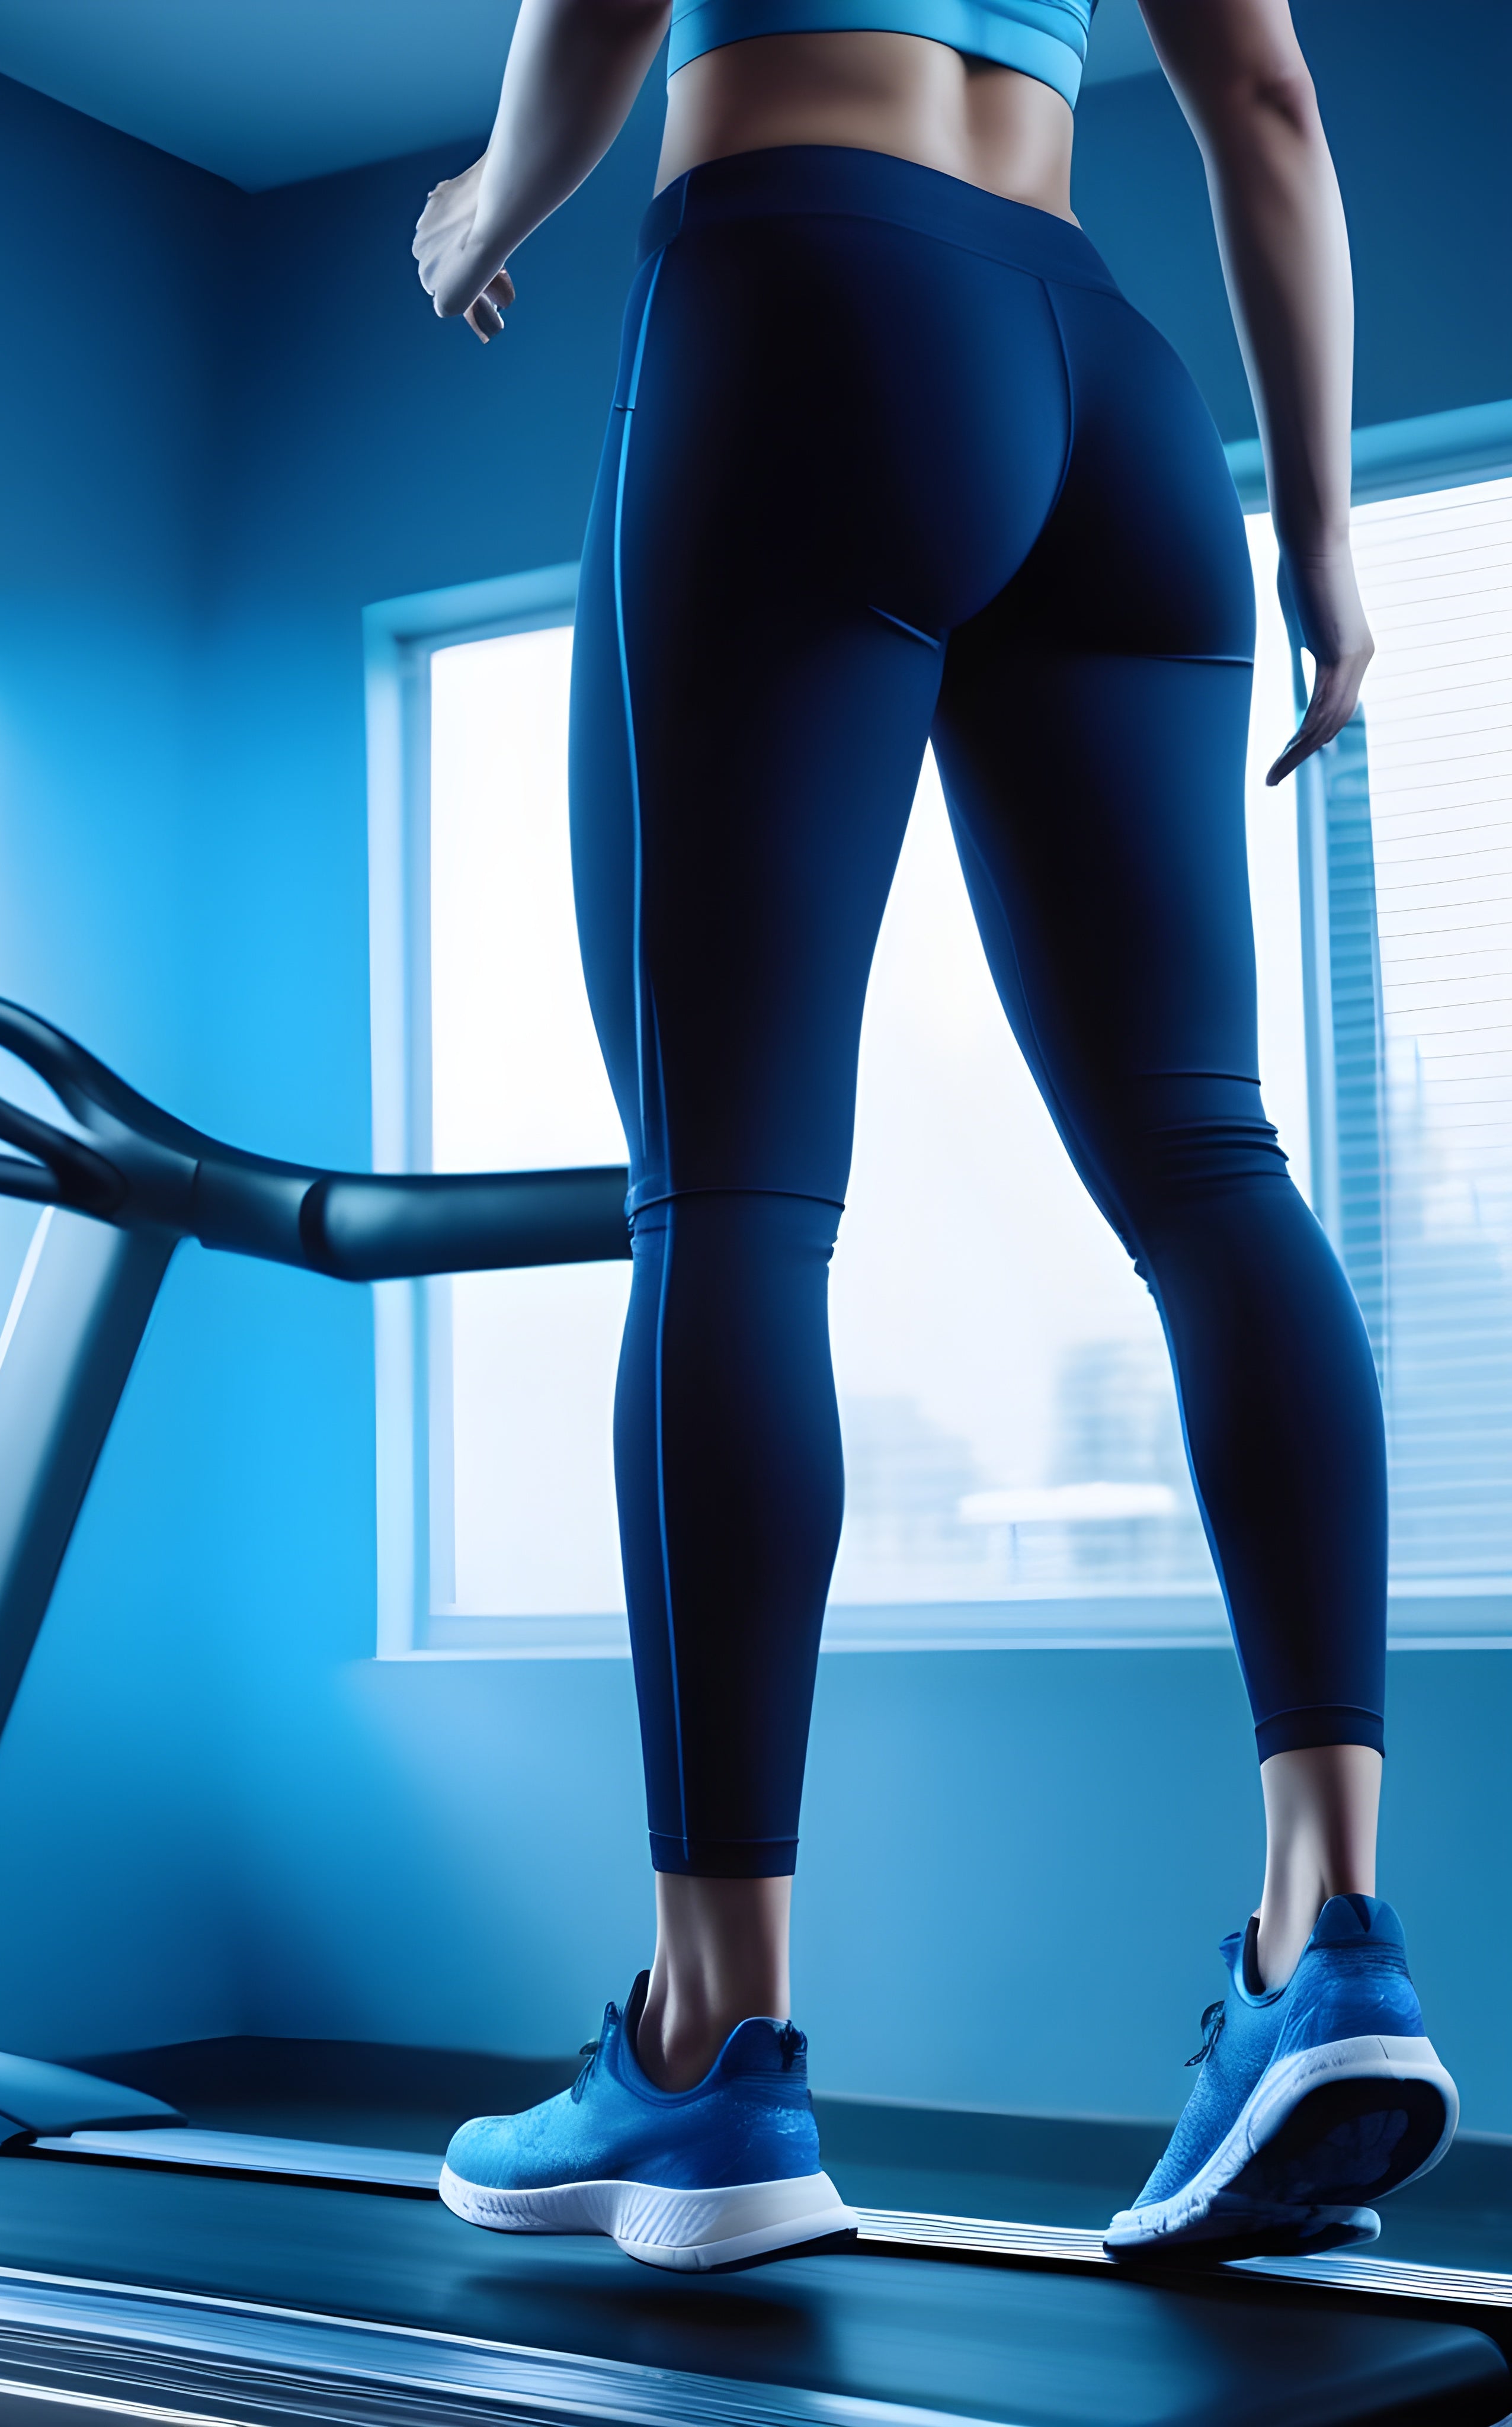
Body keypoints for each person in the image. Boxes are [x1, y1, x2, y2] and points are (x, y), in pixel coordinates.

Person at [412, 0, 1458, 2273]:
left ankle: (709, 2054)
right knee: (1210, 1163)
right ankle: (1329, 1940)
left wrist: (488, 207)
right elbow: (1263, 101)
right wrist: (1324, 547)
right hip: (1115, 384)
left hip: (812, 287)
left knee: (735, 1194)